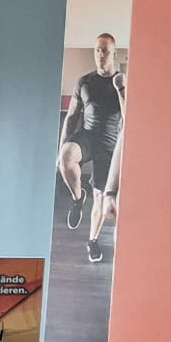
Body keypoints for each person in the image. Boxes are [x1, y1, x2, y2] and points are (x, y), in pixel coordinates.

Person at [57, 33, 125, 264]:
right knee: (66, 159)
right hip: (87, 136)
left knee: (100, 197)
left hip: (109, 143)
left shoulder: (121, 83)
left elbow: (129, 117)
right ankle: (78, 198)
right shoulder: (84, 82)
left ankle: (92, 240)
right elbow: (71, 116)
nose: (100, 54)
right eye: (97, 50)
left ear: (114, 54)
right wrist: (61, 147)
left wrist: (122, 89)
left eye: (105, 50)